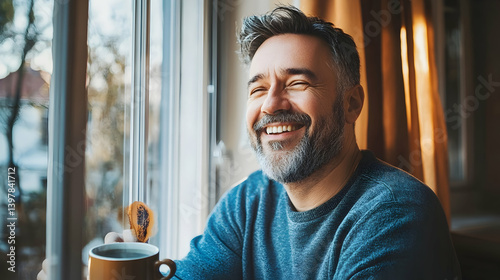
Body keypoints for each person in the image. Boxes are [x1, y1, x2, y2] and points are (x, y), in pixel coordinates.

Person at [39, 5, 461, 280]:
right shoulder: (248, 202)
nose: (272, 105)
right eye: (258, 89)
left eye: (296, 82)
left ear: (352, 104)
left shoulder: (396, 213)